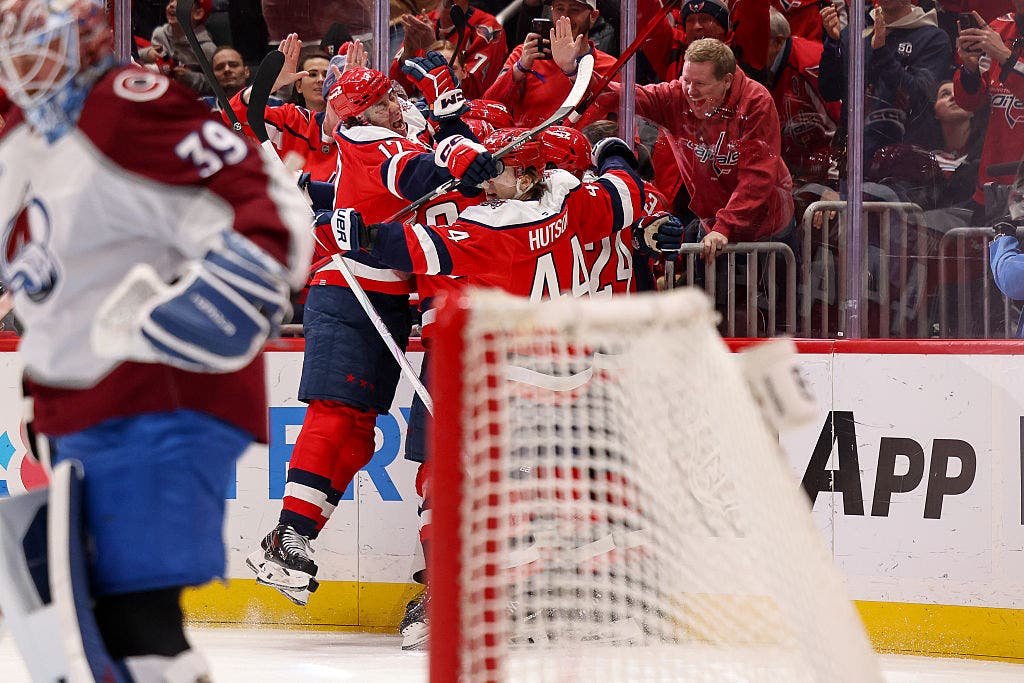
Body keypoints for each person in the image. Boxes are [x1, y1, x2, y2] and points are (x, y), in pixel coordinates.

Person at [0, 0, 311, 678]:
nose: (14, 62)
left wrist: (247, 275)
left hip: (157, 396)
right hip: (79, 408)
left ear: (79, 44)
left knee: (141, 632)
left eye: (30, 44)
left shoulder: (125, 105)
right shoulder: (21, 136)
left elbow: (269, 201)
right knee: (93, 636)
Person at [245, 55, 498, 607]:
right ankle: (287, 535)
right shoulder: (368, 136)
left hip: (383, 301)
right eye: (385, 98)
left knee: (359, 433)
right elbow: (414, 175)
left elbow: (371, 195)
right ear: (364, 108)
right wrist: (456, 163)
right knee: (335, 415)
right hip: (347, 294)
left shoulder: (367, 143)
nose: (394, 105)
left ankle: (293, 540)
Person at [819, 0, 952, 163]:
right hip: (854, 161)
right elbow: (829, 91)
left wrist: (881, 52)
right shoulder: (856, 32)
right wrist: (833, 43)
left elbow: (920, 96)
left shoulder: (933, 38)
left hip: (905, 164)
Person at [483, 6, 618, 129]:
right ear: (552, 11)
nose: (565, 18)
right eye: (560, 9)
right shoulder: (525, 55)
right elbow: (487, 109)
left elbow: (624, 135)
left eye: (574, 10)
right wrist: (519, 68)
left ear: (593, 16)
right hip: (528, 151)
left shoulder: (611, 67)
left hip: (584, 152)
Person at [952, 2, 1024, 218]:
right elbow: (970, 102)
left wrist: (1005, 56)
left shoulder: (997, 41)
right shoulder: (999, 27)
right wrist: (970, 67)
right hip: (993, 181)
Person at [765, 8, 841, 186]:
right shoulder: (750, 66)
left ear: (777, 42)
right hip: (791, 175)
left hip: (825, 175)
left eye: (754, 39)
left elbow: (843, 126)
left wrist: (835, 185)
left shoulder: (811, 65)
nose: (746, 47)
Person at [390, 0, 508, 100]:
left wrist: (430, 48)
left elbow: (471, 94)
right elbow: (395, 91)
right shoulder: (421, 23)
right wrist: (408, 54)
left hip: (470, 119)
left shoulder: (488, 30)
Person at [148, 0, 216, 95]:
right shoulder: (159, 34)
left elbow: (216, 85)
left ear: (198, 13)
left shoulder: (207, 49)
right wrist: (147, 54)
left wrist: (190, 78)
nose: (172, 5)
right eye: (171, 0)